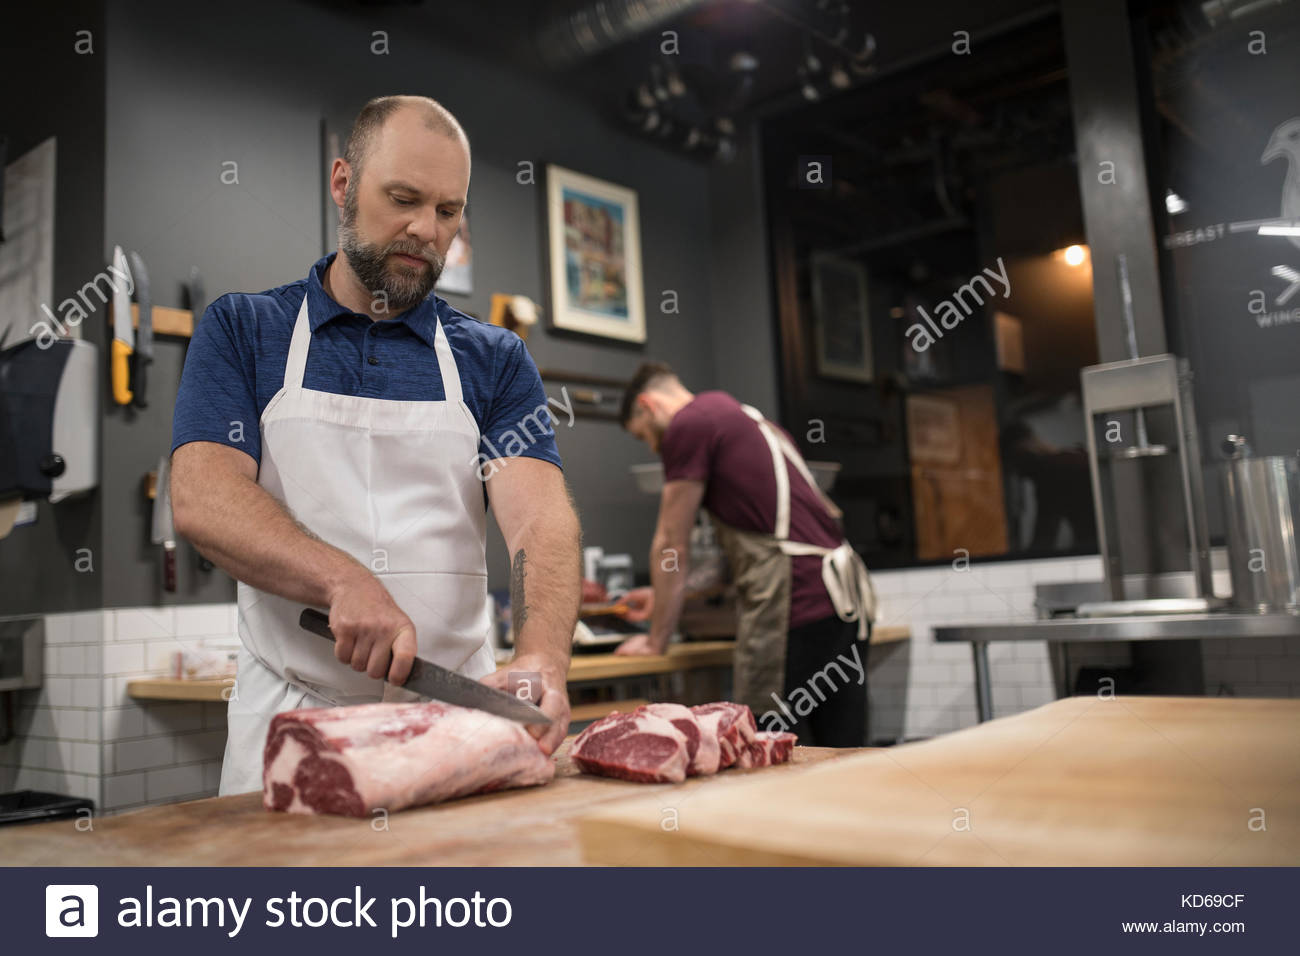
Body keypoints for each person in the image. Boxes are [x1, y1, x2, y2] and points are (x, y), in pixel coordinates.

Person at [170, 95, 580, 794]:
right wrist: (340, 579)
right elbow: (204, 496)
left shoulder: (495, 359)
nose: (426, 229)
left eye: (449, 211)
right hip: (296, 729)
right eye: (403, 198)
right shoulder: (245, 330)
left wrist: (541, 657)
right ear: (342, 184)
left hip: (458, 726)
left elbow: (542, 521)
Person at [616, 363, 876, 746]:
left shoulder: (689, 424)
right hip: (843, 604)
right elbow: (747, 549)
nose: (656, 448)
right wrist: (663, 598)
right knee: (839, 750)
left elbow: (672, 540)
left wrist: (657, 641)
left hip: (794, 602)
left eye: (647, 437)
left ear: (648, 405)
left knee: (769, 747)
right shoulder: (750, 420)